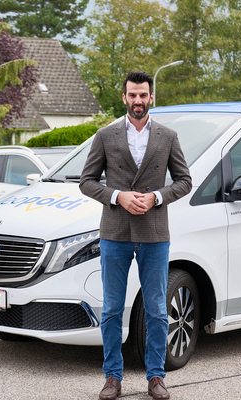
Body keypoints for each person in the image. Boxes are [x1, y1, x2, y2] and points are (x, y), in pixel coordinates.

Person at [80, 71, 192, 400]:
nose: (138, 100)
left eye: (143, 95)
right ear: (124, 97)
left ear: (151, 97)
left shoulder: (168, 136)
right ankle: (112, 377)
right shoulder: (105, 135)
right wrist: (118, 197)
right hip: (115, 232)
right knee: (112, 309)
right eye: (133, 95)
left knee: (157, 308)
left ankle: (156, 376)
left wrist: (157, 197)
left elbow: (184, 181)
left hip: (154, 232)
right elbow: (87, 181)